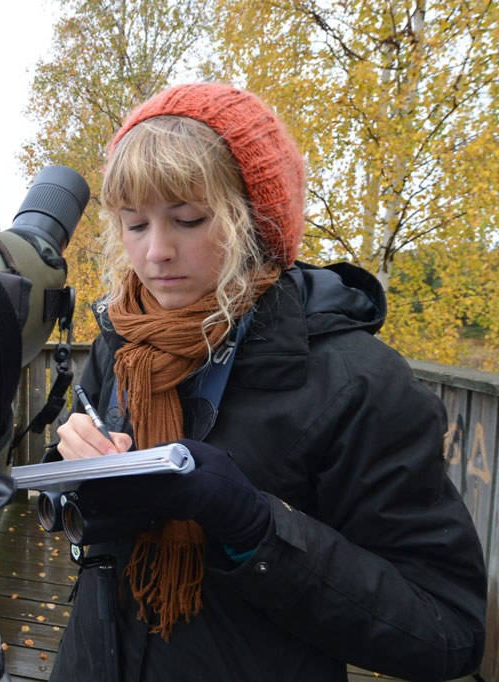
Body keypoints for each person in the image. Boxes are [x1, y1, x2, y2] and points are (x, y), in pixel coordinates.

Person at [47, 83, 487, 682]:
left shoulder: (357, 385)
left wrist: (258, 528)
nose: (155, 253)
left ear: (255, 223)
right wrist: (73, 466)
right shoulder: (124, 340)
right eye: (135, 223)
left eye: (188, 219)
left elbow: (448, 632)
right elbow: (79, 512)